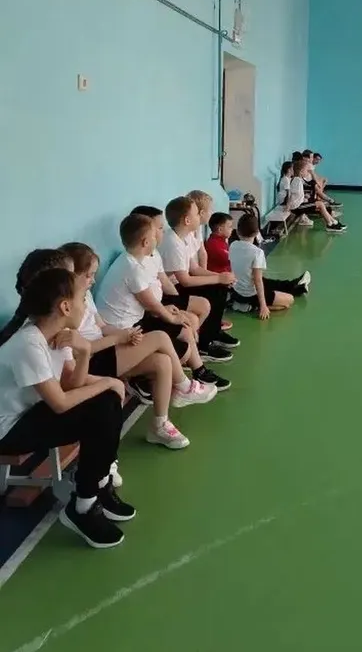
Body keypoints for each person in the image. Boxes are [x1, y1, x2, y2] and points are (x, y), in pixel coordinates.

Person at [0, 267, 132, 549]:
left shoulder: (60, 335)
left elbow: (73, 385)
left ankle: (96, 487)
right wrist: (107, 382)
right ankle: (84, 505)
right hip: (8, 431)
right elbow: (61, 403)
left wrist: (84, 351)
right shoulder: (29, 343)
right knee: (103, 404)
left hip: (32, 413)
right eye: (83, 298)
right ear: (65, 306)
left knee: (105, 404)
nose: (86, 305)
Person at [60, 242, 208, 449]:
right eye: (88, 275)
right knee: (159, 337)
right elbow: (80, 350)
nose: (93, 280)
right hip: (90, 363)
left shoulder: (85, 296)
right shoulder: (64, 308)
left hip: (106, 350)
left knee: (162, 362)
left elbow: (102, 326)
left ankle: (159, 425)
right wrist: (117, 339)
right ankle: (184, 386)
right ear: (70, 276)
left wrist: (126, 334)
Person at [98, 213, 228, 392]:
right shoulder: (132, 268)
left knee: (184, 330)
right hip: (125, 329)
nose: (160, 235)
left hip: (137, 320)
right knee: (181, 346)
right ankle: (148, 378)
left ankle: (198, 371)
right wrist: (173, 317)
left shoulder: (135, 260)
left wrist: (171, 311)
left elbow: (151, 302)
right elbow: (152, 305)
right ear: (145, 242)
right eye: (155, 233)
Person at [159, 196, 239, 360]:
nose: (199, 216)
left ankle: (212, 334)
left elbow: (194, 269)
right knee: (215, 291)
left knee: (220, 287)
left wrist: (222, 277)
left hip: (176, 285)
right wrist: (218, 279)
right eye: (196, 213)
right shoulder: (173, 243)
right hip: (168, 291)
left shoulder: (183, 237)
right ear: (187, 220)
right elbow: (186, 280)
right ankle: (204, 344)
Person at [229, 214, 310, 319]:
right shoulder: (257, 252)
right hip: (250, 295)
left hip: (237, 291)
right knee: (290, 300)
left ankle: (296, 285)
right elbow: (258, 281)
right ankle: (253, 306)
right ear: (257, 232)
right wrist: (263, 305)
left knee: (272, 283)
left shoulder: (233, 245)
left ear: (238, 231)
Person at [290, 156, 346, 233]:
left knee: (321, 204)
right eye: (307, 170)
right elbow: (292, 196)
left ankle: (332, 222)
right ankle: (331, 223)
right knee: (320, 204)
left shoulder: (299, 180)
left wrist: (305, 196)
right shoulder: (297, 181)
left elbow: (298, 194)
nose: (308, 172)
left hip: (301, 204)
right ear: (301, 171)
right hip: (297, 207)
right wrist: (289, 206)